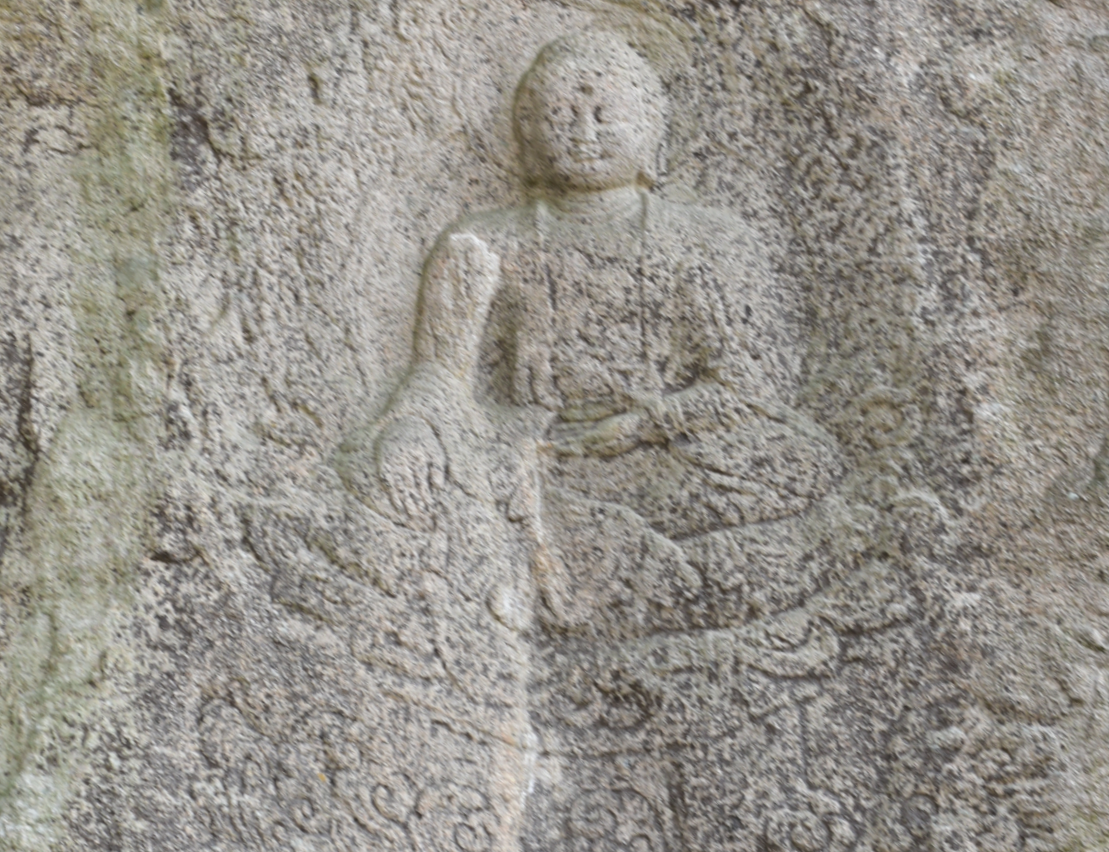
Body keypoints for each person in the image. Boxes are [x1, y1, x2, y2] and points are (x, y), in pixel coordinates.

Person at [343, 31, 857, 638]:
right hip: (540, 447)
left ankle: (550, 549)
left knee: (803, 462)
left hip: (674, 449)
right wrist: (411, 430)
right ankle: (585, 547)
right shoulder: (485, 240)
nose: (582, 132)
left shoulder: (710, 239)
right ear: (527, 132)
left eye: (604, 114)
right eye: (559, 116)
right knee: (402, 472)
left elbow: (754, 383)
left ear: (651, 128)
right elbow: (441, 376)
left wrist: (645, 424)